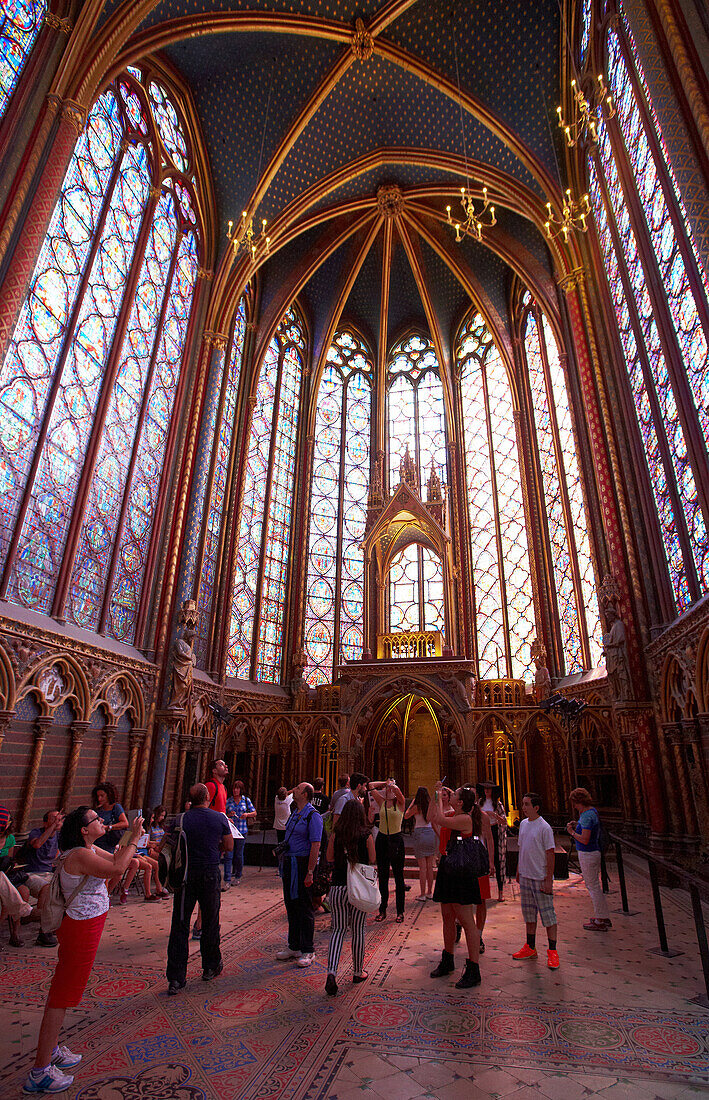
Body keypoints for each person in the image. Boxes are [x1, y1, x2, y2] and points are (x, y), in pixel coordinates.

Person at [23, 805, 143, 1094]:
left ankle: (51, 1050)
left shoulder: (87, 849)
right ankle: (39, 1071)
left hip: (88, 924)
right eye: (96, 819)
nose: (102, 821)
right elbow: (117, 868)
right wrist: (135, 837)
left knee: (66, 991)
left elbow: (117, 859)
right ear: (83, 829)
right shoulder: (78, 855)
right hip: (79, 927)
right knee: (62, 995)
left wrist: (128, 834)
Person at [165, 783, 233, 995]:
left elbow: (168, 844)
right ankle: (210, 966)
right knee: (211, 921)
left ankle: (176, 978)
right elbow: (229, 846)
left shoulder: (181, 818)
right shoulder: (219, 818)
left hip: (186, 875)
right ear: (208, 797)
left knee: (180, 924)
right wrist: (215, 849)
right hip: (210, 873)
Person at [428, 784, 494, 988]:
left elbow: (438, 819)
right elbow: (433, 817)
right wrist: (434, 795)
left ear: (461, 802)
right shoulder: (453, 813)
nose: (452, 795)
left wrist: (439, 796)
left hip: (462, 872)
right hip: (450, 869)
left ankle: (473, 968)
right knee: (447, 916)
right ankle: (448, 959)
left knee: (466, 920)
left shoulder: (465, 818)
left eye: (455, 795)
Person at [324, 799, 376, 996]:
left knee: (337, 930)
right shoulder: (366, 835)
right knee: (358, 929)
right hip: (358, 889)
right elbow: (371, 859)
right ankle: (357, 971)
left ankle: (331, 972)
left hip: (338, 886)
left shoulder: (336, 834)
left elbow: (329, 858)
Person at [275, 782, 323, 968]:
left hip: (303, 865)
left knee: (304, 906)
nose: (293, 790)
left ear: (305, 793)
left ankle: (308, 949)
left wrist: (310, 871)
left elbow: (316, 845)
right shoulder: (295, 812)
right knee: (291, 904)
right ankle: (293, 945)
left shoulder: (313, 816)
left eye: (297, 788)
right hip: (290, 862)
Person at [512, 792, 559, 969]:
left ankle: (552, 951)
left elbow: (550, 853)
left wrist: (548, 879)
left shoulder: (544, 827)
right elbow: (521, 847)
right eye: (523, 804)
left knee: (547, 915)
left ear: (536, 807)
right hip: (526, 875)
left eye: (526, 804)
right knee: (529, 914)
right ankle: (530, 947)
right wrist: (518, 870)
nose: (523, 807)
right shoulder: (523, 824)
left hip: (540, 877)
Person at [566, 787, 612, 931]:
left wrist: (572, 832)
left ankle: (600, 920)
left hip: (588, 853)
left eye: (574, 802)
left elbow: (585, 839)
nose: (574, 806)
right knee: (594, 886)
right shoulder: (592, 812)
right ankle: (602, 915)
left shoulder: (586, 816)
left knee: (593, 887)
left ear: (578, 801)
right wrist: (578, 825)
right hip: (593, 852)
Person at [92, 783, 140, 904]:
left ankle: (105, 896)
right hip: (97, 842)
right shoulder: (97, 809)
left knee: (109, 873)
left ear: (109, 795)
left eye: (102, 795)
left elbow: (125, 823)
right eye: (98, 796)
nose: (100, 799)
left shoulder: (116, 807)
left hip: (109, 843)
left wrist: (109, 827)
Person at [370, 779, 406, 924]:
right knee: (383, 876)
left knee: (399, 877)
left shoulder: (400, 804)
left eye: (391, 789)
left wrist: (393, 787)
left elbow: (400, 795)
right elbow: (370, 786)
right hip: (382, 839)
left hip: (396, 840)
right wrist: (384, 783)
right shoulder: (382, 802)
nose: (389, 790)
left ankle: (400, 911)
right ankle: (382, 910)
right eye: (387, 789)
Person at [27, 811, 64, 947]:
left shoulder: (59, 836)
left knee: (64, 887)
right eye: (53, 819)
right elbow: (37, 845)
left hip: (49, 873)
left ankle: (51, 927)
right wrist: (52, 827)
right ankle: (43, 929)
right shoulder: (36, 832)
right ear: (45, 822)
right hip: (32, 874)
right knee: (48, 888)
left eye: (59, 819)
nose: (57, 821)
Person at [477, 780, 508, 902]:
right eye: (485, 789)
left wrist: (494, 815)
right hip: (482, 831)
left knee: (498, 861)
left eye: (489, 789)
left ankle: (500, 891)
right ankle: (482, 890)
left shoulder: (498, 804)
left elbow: (504, 821)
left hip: (495, 830)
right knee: (482, 861)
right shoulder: (480, 803)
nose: (486, 791)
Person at [404, 787, 437, 899]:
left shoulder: (416, 807)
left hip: (420, 832)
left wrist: (411, 804)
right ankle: (429, 892)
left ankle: (422, 894)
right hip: (430, 832)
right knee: (429, 866)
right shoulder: (430, 807)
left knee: (422, 867)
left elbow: (406, 815)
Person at [224, 780, 256, 888]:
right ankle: (227, 879)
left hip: (242, 831)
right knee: (228, 855)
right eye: (234, 788)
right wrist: (229, 815)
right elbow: (223, 814)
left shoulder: (246, 800)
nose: (235, 790)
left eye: (237, 788)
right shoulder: (229, 801)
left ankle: (238, 876)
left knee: (238, 854)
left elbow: (254, 812)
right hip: (231, 831)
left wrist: (246, 814)